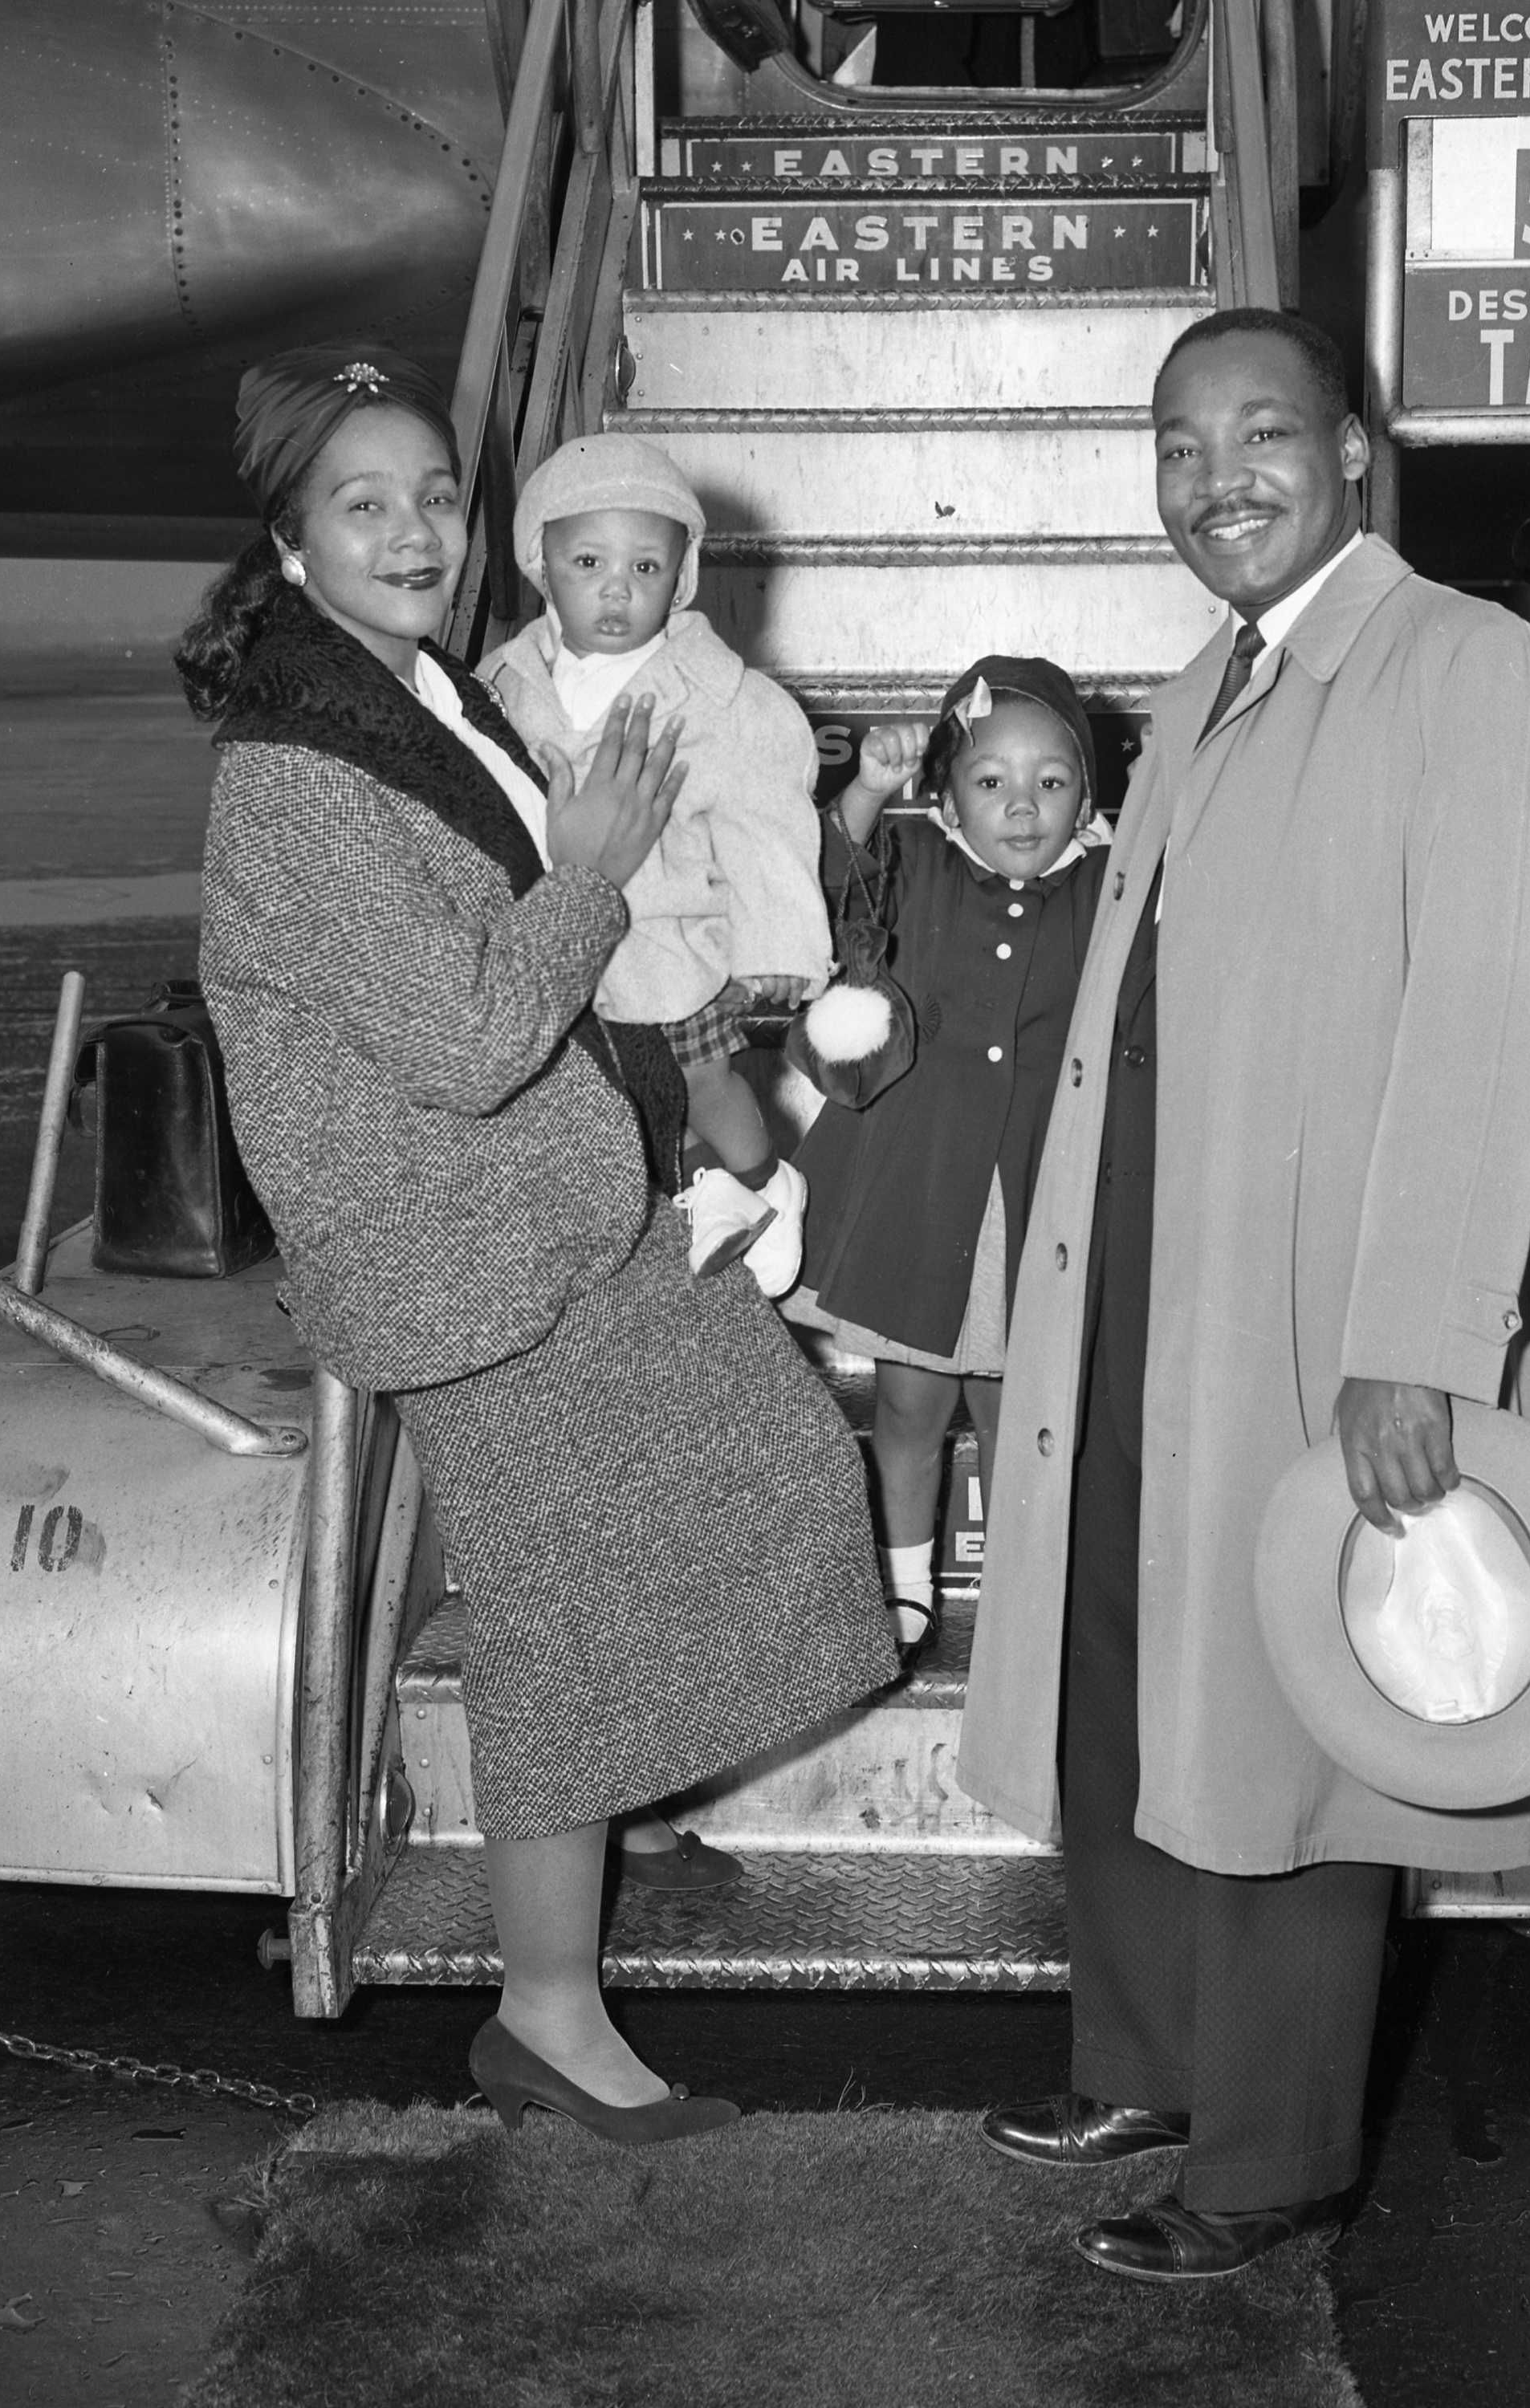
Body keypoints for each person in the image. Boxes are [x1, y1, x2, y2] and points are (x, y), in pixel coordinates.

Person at [956, 308, 1530, 2276]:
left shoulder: (1460, 661)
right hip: (1148, 1279)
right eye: (1177, 448)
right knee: (1124, 1659)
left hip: (1320, 1298)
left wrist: (1417, 1338)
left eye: (1259, 435)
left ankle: (1265, 2155)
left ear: (1351, 449)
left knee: (1294, 1699)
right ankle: (1145, 2053)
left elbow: (1491, 1013)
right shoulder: (1202, 681)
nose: (1214, 481)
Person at [186, 345, 896, 2143]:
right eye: (366, 503)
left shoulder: (417, 692)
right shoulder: (297, 770)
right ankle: (552, 2008)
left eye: (435, 493)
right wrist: (593, 864)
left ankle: (598, 1822)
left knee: (775, 1473)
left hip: (551, 1208)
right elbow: (471, 1033)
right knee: (569, 1623)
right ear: (289, 546)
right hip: (459, 1254)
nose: (416, 527)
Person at [784, 657, 1109, 1666]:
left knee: (1025, 1411)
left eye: (1052, 783)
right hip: (921, 1192)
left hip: (1038, 1200)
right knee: (910, 1403)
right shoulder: (914, 863)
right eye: (991, 782)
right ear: (948, 794)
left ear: (1088, 798)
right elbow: (831, 868)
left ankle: (1022, 1591)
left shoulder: (1106, 886)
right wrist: (870, 790)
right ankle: (906, 1579)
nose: (1022, 806)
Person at [480, 433, 832, 1295]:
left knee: (701, 1076)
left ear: (682, 579)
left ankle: (764, 1183)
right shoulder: (503, 681)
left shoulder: (717, 695)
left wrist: (780, 939)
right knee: (612, 1101)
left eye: (646, 569)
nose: (615, 588)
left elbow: (766, 815)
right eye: (589, 561)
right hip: (559, 943)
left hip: (667, 935)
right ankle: (699, 1191)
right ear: (541, 563)